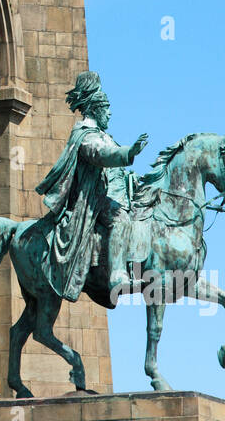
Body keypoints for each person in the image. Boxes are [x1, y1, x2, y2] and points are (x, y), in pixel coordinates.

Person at [35, 71, 149, 304]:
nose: (110, 113)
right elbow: (100, 155)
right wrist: (129, 152)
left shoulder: (103, 134)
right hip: (89, 199)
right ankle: (118, 274)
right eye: (106, 109)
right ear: (96, 109)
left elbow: (115, 172)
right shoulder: (85, 135)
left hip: (109, 194)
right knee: (121, 219)